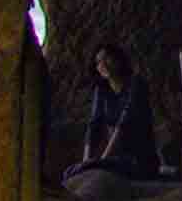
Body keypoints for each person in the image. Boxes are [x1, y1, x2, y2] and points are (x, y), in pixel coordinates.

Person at [72, 41, 167, 187]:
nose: (103, 64)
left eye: (107, 58)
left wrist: (101, 162)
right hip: (116, 159)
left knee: (95, 171)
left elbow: (123, 125)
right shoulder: (102, 90)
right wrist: (86, 161)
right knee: (73, 172)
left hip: (139, 159)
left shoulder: (136, 84)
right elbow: (94, 126)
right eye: (99, 62)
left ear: (119, 60)